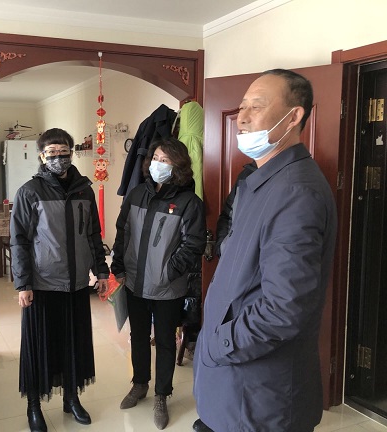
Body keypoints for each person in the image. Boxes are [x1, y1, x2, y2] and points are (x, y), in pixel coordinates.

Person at [193, 69, 338, 432]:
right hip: (234, 382)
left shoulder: (296, 192)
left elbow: (284, 308)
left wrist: (218, 345)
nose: (242, 117)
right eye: (241, 106)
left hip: (259, 395)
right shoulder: (261, 181)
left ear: (293, 117)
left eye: (256, 106)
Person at [10, 128, 109, 432]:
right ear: (42, 156)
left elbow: (94, 234)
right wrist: (23, 284)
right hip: (43, 285)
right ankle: (34, 406)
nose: (58, 157)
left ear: (71, 153)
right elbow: (19, 241)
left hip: (76, 284)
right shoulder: (30, 192)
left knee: (73, 345)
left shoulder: (84, 190)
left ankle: (71, 398)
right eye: (51, 152)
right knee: (40, 347)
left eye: (63, 151)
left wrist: (101, 271)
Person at [111, 137, 206, 430]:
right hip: (135, 282)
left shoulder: (189, 203)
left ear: (178, 165)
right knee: (138, 336)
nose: (158, 164)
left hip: (168, 287)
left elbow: (193, 245)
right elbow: (122, 231)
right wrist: (118, 266)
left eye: (165, 160)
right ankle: (140, 383)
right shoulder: (136, 194)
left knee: (165, 341)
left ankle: (162, 394)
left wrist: (168, 272)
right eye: (155, 158)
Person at [214, 161, 257, 257]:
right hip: (234, 258)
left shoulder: (286, 177)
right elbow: (227, 215)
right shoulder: (245, 175)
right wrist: (222, 248)